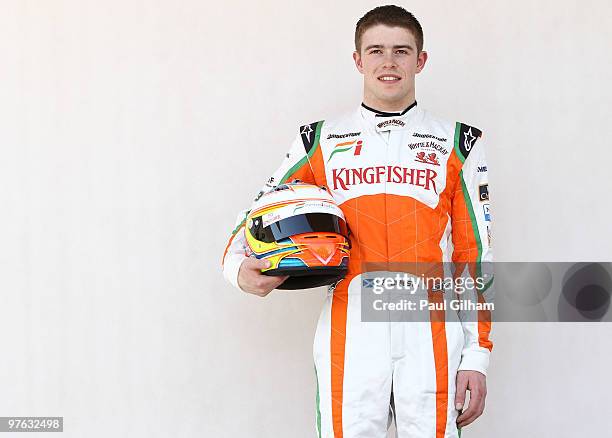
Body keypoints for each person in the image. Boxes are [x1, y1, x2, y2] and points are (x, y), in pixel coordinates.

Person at [221, 5, 493, 438]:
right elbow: (260, 208)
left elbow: (473, 254)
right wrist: (237, 267)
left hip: (431, 332)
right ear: (357, 60)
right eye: (377, 50)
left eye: (402, 51)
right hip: (350, 328)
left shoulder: (458, 142)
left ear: (420, 61)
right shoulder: (320, 139)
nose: (389, 62)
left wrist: (477, 357)